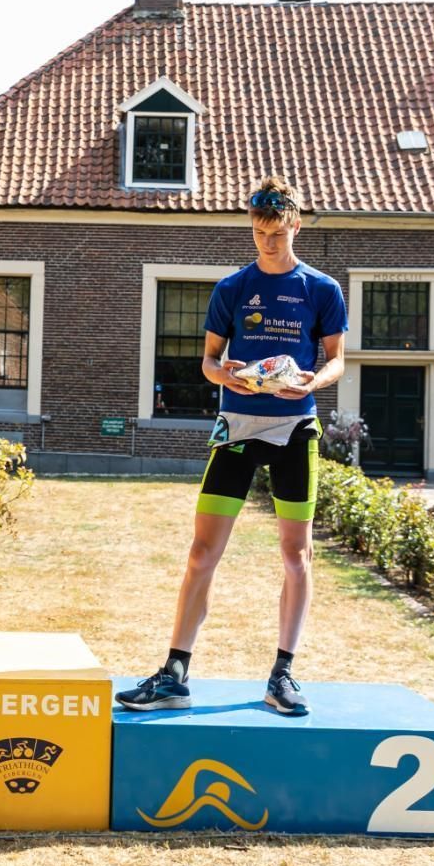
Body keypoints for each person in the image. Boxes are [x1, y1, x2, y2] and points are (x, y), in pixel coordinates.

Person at [117, 176, 346, 717]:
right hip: (237, 427)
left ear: (295, 226)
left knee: (296, 555)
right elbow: (209, 360)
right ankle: (174, 674)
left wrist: (311, 382)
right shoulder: (232, 288)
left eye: (277, 233)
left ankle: (282, 674)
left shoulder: (322, 289)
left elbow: (337, 359)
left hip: (294, 429)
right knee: (202, 552)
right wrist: (224, 374)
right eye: (259, 233)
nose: (268, 242)